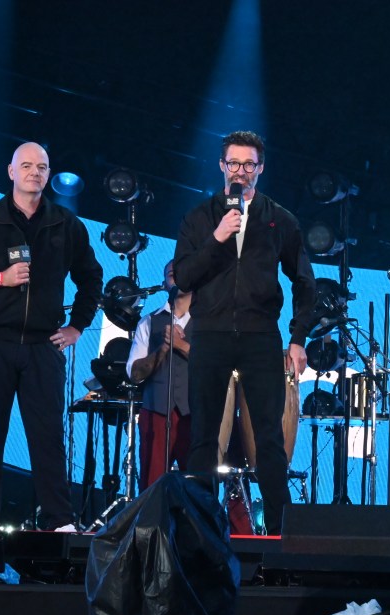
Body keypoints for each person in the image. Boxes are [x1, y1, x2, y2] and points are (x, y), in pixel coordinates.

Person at [0, 142, 104, 531]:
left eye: (42, 166)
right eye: (27, 165)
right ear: (11, 171)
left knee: (48, 435)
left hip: (41, 345)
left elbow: (91, 279)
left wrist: (78, 327)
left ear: (49, 175)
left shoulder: (67, 225)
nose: (35, 172)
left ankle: (59, 520)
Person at [173, 130, 316, 536]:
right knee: (203, 437)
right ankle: (199, 534)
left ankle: (279, 536)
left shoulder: (279, 219)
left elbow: (305, 282)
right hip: (211, 334)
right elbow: (183, 275)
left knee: (269, 441)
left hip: (259, 337)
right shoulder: (200, 218)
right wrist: (218, 237)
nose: (241, 172)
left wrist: (298, 336)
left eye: (249, 165)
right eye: (234, 164)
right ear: (222, 166)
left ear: (261, 168)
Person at [126, 260, 192, 492]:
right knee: (151, 486)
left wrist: (181, 345)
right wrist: (162, 349)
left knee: (197, 486)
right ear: (165, 284)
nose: (178, 277)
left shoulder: (207, 323)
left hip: (194, 415)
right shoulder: (149, 322)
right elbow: (134, 373)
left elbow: (215, 364)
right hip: (156, 413)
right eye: (173, 274)